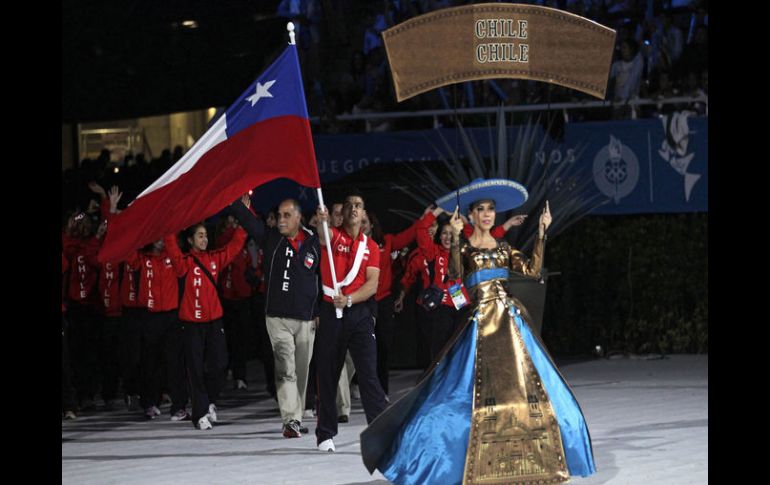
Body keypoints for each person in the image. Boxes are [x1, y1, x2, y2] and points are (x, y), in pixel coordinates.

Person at [361, 178, 595, 484]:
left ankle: (529, 461)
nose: (487, 214)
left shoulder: (504, 248)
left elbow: (533, 271)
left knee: (530, 391)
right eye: (480, 209)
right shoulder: (467, 248)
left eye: (491, 209)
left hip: (510, 323)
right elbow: (456, 275)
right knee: (458, 394)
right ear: (470, 215)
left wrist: (541, 232)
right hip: (479, 324)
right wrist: (456, 240)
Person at [229, 198, 320, 438]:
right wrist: (235, 201)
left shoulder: (315, 242)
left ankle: (296, 417)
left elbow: (324, 279)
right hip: (277, 318)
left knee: (301, 370)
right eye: (279, 215)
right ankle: (290, 420)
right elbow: (248, 221)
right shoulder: (270, 238)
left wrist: (320, 312)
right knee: (286, 368)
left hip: (306, 318)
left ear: (298, 218)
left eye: (287, 215)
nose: (281, 220)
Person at [314, 192, 388, 452]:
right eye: (349, 206)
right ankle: (325, 434)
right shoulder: (334, 235)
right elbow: (323, 236)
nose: (354, 209)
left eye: (359, 205)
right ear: (342, 213)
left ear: (364, 213)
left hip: (358, 314)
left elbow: (372, 285)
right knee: (328, 374)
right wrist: (321, 221)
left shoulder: (371, 247)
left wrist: (349, 300)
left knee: (369, 374)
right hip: (330, 313)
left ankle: (380, 430)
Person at [164, 202, 247, 430]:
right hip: (191, 323)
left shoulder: (214, 258)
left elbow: (235, 245)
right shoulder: (184, 263)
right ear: (190, 240)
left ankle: (209, 400)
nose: (204, 239)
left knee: (220, 364)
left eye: (205, 236)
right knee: (195, 369)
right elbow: (170, 244)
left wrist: (245, 217)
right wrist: (169, 221)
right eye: (199, 236)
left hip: (214, 322)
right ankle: (199, 413)